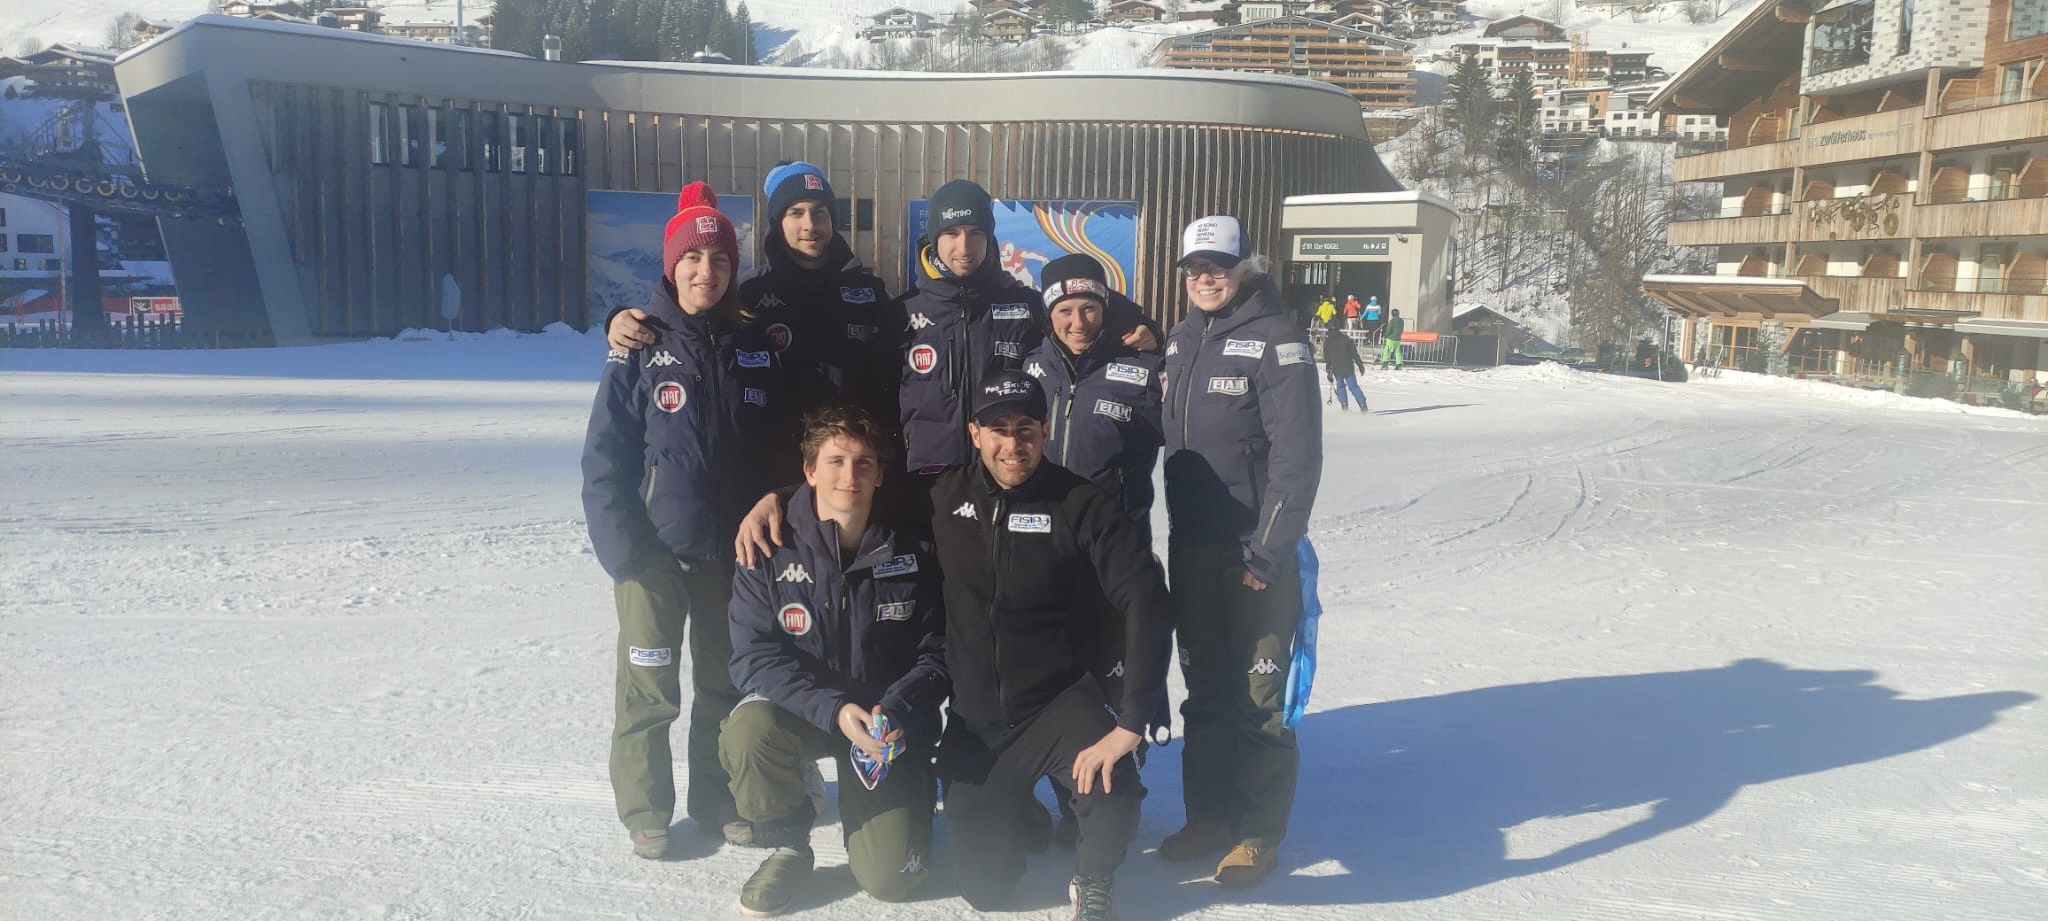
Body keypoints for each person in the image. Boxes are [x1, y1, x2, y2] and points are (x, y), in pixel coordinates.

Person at [927, 368, 1173, 921]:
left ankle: (1094, 877)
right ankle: (1017, 807)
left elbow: (1147, 602)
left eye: (1025, 429)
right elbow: (849, 495)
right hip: (977, 716)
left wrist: (1129, 722)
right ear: (974, 433)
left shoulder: (1080, 503)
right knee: (986, 892)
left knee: (1111, 787)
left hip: (1061, 704)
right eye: (997, 429)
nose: (1012, 444)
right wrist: (775, 498)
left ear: (1044, 429)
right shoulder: (943, 498)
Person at [581, 182, 774, 860]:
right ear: (671, 264)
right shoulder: (638, 343)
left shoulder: (751, 347)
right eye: (692, 259)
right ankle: (645, 809)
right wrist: (623, 552)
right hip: (653, 558)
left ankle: (718, 801)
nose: (706, 272)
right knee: (649, 689)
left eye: (719, 260)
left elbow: (775, 451)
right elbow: (604, 455)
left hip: (730, 560)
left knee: (723, 686)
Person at [721, 404, 948, 917]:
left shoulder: (913, 548)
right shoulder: (768, 546)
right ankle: (789, 841)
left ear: (881, 473)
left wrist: (897, 707)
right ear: (808, 471)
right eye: (836, 461)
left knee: (892, 881)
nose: (850, 476)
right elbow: (753, 657)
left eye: (864, 462)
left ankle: (897, 808)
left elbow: (939, 651)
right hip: (810, 714)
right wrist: (834, 710)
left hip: (883, 728)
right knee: (749, 729)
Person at [1156, 215, 1322, 888]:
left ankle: (1257, 831)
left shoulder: (1278, 341)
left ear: (1245, 265)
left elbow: (1298, 460)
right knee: (1204, 692)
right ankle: (1211, 816)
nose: (1204, 277)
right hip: (1191, 549)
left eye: (1217, 266)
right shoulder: (1179, 341)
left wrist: (1267, 552)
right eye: (1194, 268)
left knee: (1259, 698)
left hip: (1254, 556)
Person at [608, 161, 900, 490]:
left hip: (857, 474)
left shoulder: (870, 293)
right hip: (778, 479)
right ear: (778, 222)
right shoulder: (750, 296)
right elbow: (691, 325)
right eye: (796, 212)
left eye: (820, 212)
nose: (810, 224)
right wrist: (618, 319)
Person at [1019, 252, 1169, 848]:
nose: (1077, 321)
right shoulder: (1028, 369)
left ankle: (1113, 794)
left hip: (1114, 556)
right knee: (1058, 678)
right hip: (1044, 555)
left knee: (1114, 682)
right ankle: (1064, 799)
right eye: (1064, 309)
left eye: (1089, 309)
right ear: (1048, 312)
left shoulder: (1141, 369)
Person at [1322, 317, 1367, 412]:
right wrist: (1360, 365)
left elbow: (1327, 358)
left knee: (1340, 386)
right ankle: (1363, 405)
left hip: (1336, 369)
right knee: (1353, 387)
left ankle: (1344, 405)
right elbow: (1355, 354)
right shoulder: (1347, 339)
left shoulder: (1327, 342)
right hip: (1348, 367)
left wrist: (1328, 369)